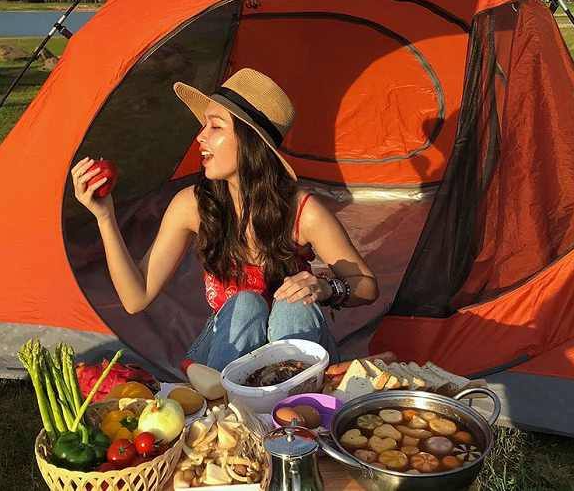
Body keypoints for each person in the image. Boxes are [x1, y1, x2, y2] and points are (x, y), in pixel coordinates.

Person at [72, 68, 379, 371]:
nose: (200, 137)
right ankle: (232, 409)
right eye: (204, 125)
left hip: (296, 341)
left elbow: (366, 285)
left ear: (249, 142)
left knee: (292, 305)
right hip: (230, 348)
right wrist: (105, 217)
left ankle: (288, 408)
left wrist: (326, 289)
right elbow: (136, 298)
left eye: (215, 127)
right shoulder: (193, 205)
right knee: (246, 304)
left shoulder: (302, 212)